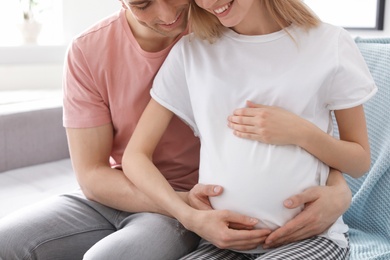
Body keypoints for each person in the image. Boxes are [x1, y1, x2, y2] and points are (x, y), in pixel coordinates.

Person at [0, 0, 351, 259]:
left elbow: (302, 111)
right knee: (7, 241)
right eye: (143, 4)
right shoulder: (87, 50)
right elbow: (92, 175)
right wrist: (187, 212)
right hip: (126, 190)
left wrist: (339, 189)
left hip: (197, 196)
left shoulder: (224, 24)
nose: (167, 16)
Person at [122, 0, 377, 259]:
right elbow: (135, 157)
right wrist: (188, 216)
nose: (209, 3)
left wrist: (301, 132)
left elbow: (358, 161)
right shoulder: (191, 52)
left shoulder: (329, 44)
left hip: (311, 238)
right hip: (224, 244)